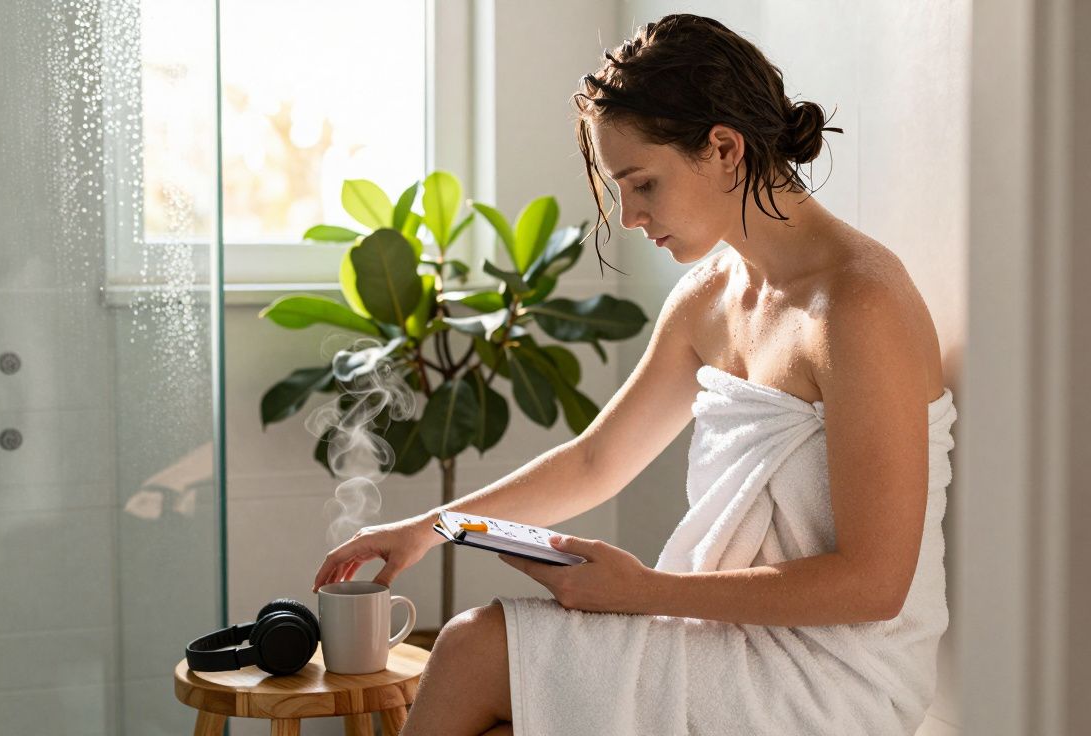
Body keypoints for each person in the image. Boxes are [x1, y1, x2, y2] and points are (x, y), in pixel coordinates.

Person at [313, 13, 956, 736]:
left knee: (471, 647)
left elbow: (874, 585)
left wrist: (644, 590)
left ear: (722, 148)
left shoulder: (858, 305)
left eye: (641, 182)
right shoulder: (710, 298)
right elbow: (596, 461)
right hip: (735, 640)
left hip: (835, 675)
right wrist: (434, 527)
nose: (626, 215)